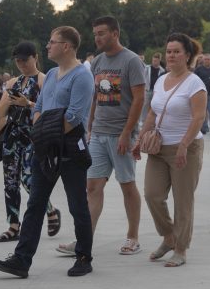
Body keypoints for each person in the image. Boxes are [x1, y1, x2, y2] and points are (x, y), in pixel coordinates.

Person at [0, 26, 95, 278]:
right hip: (45, 148)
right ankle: (21, 259)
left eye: (52, 42)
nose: (47, 46)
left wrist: (45, 129)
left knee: (77, 204)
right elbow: (39, 105)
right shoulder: (50, 74)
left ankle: (83, 256)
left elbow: (75, 116)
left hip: (69, 148)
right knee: (35, 203)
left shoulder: (81, 76)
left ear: (67, 46)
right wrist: (40, 124)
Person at [57, 16, 145, 256]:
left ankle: (133, 237)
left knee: (127, 185)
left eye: (102, 33)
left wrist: (128, 133)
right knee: (93, 186)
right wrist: (90, 125)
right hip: (98, 133)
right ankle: (84, 240)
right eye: (95, 33)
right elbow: (95, 96)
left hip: (121, 134)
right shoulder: (96, 63)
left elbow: (139, 98)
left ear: (115, 33)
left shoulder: (131, 61)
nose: (97, 38)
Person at [137, 33, 207, 266]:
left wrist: (184, 145)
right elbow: (152, 112)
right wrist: (140, 139)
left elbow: (199, 117)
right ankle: (169, 237)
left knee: (183, 201)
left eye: (176, 51)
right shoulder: (160, 80)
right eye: (169, 51)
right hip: (158, 147)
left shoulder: (194, 83)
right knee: (152, 194)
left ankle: (181, 249)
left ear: (187, 55)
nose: (171, 55)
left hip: (185, 147)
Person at [0, 41, 61, 243]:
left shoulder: (44, 79)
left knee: (29, 179)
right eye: (18, 60)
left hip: (34, 135)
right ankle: (13, 225)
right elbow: (0, 113)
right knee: (10, 182)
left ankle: (49, 209)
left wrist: (28, 103)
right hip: (13, 137)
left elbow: (50, 110)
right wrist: (8, 98)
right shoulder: (13, 82)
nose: (22, 64)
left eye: (25, 60)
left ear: (35, 58)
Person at [193, 53, 210, 134]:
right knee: (202, 112)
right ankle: (203, 128)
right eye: (205, 59)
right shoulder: (198, 69)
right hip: (201, 94)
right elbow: (194, 80)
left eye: (208, 59)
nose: (206, 61)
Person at [144, 53, 166, 124]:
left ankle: (153, 123)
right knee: (145, 107)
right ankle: (142, 122)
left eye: (156, 61)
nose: (154, 62)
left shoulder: (162, 70)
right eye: (153, 60)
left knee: (154, 107)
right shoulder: (147, 68)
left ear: (159, 61)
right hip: (147, 90)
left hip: (156, 92)